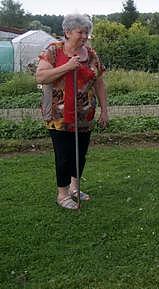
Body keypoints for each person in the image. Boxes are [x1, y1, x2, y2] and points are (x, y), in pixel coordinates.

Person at [36, 14, 108, 210]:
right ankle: (62, 194)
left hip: (85, 114)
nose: (84, 36)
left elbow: (99, 82)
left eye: (87, 32)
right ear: (67, 32)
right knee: (64, 154)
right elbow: (41, 76)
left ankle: (76, 188)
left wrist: (104, 110)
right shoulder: (53, 51)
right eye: (80, 32)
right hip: (58, 116)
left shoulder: (91, 55)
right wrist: (67, 66)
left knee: (80, 153)